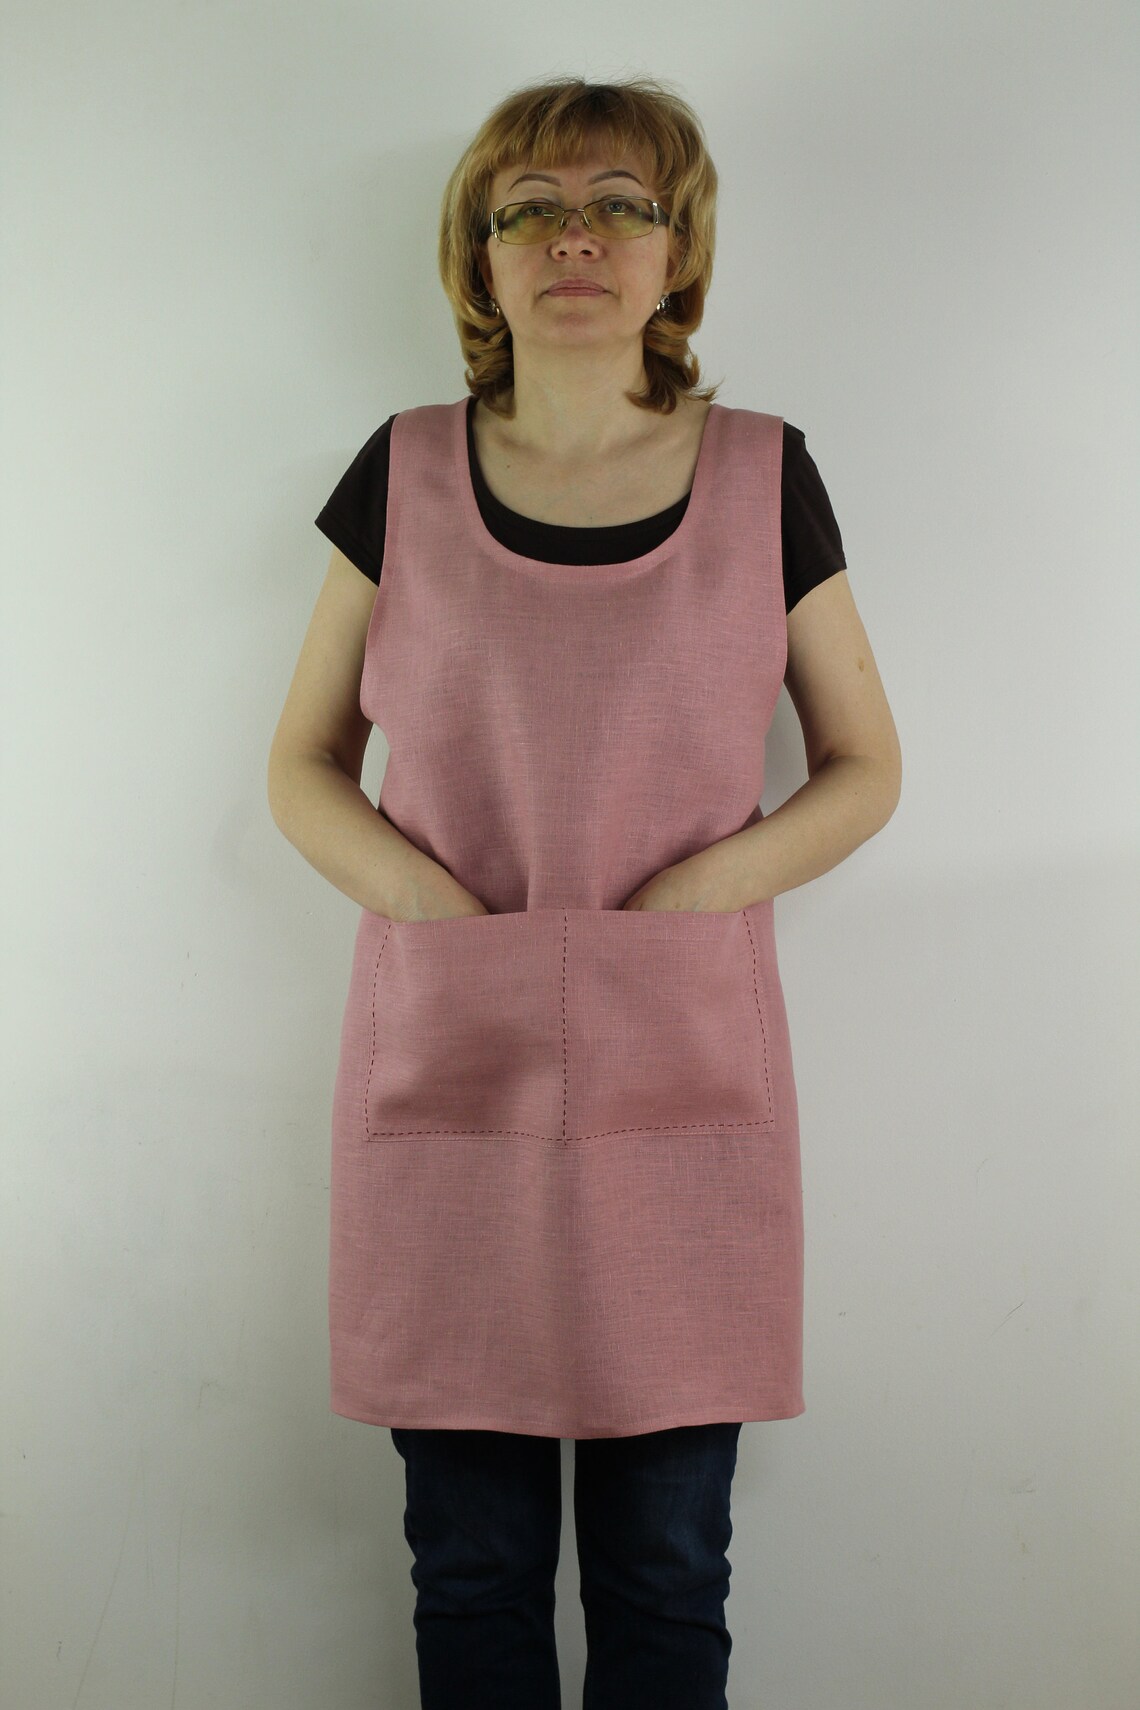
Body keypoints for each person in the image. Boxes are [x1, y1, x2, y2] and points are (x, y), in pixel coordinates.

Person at [268, 74, 900, 1710]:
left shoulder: (764, 474)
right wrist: (430, 913)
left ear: (678, 254)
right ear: (477, 257)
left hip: (679, 1079)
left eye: (623, 204)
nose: (576, 236)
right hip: (450, 1077)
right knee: (469, 1567)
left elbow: (863, 765)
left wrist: (700, 897)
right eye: (532, 208)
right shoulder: (402, 473)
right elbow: (302, 764)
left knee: (666, 1569)